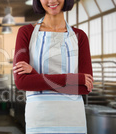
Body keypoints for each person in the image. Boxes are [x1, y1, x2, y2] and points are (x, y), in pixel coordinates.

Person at [13, 0, 93, 133]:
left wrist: (35, 76)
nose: (52, 0)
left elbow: (85, 87)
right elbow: (22, 82)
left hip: (73, 118)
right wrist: (76, 79)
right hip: (39, 118)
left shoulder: (80, 36)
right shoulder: (26, 32)